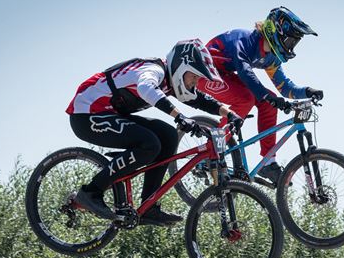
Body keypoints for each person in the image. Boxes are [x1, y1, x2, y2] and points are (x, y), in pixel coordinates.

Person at [65, 39, 244, 226]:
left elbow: (199, 99)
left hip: (109, 114)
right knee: (149, 144)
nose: (195, 82)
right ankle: (90, 192)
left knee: (168, 135)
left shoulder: (170, 81)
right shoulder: (154, 71)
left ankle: (149, 207)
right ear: (181, 68)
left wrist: (230, 114)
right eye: (194, 76)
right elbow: (146, 88)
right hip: (86, 115)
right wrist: (179, 116)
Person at [197, 6, 324, 184]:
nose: (291, 47)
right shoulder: (244, 40)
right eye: (290, 41)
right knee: (246, 99)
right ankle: (211, 152)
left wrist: (307, 91)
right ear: (276, 31)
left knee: (267, 103)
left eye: (294, 43)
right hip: (203, 73)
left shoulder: (271, 57)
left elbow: (284, 87)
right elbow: (245, 72)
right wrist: (267, 96)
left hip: (225, 74)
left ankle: (268, 162)